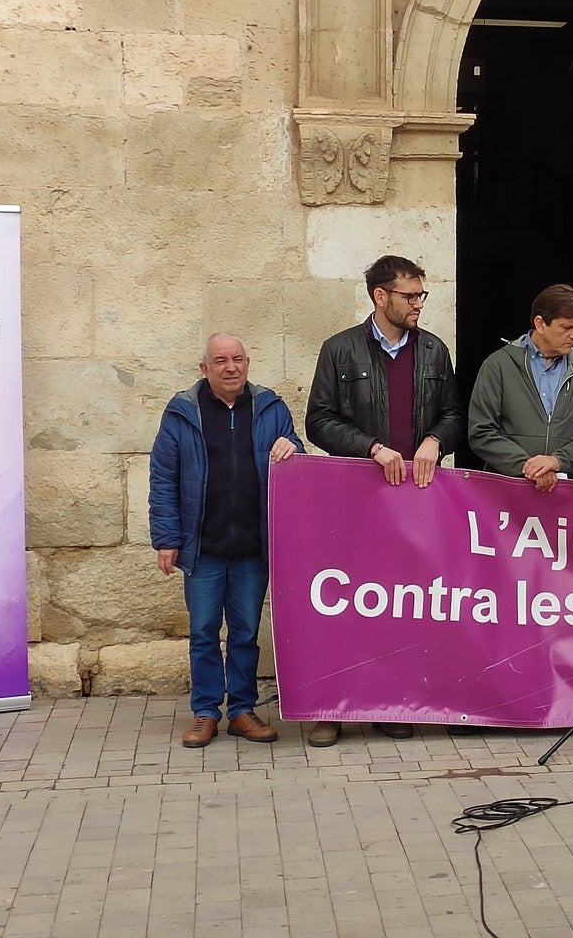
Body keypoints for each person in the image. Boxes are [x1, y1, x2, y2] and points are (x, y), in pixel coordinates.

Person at [303, 255, 462, 744]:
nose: (418, 304)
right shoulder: (340, 350)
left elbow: (456, 415)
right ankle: (328, 707)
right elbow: (318, 421)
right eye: (409, 296)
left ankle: (389, 704)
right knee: (344, 603)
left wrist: (436, 439)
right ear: (380, 296)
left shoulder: (434, 351)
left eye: (421, 296)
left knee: (398, 605)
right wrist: (371, 448)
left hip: (414, 502)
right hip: (357, 499)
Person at [149, 333, 303, 749]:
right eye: (220, 360)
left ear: (248, 363)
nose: (230, 367)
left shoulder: (270, 408)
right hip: (203, 548)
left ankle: (241, 710)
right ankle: (204, 712)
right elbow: (163, 477)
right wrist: (166, 538)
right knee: (202, 632)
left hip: (254, 547)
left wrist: (294, 444)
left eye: (237, 359)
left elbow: (296, 460)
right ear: (205, 368)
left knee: (245, 633)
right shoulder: (183, 413)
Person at [467, 284, 573, 492]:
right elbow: (481, 431)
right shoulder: (498, 365)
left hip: (566, 494)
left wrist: (557, 461)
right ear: (540, 324)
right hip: (507, 494)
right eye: (567, 328)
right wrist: (528, 466)